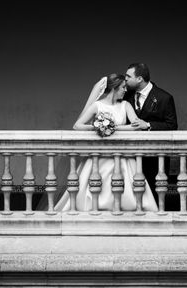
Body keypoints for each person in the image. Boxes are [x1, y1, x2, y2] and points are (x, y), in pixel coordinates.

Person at [55, 74, 158, 212]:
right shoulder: (97, 106)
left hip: (122, 155)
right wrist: (97, 127)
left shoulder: (125, 105)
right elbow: (77, 125)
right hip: (99, 155)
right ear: (114, 88)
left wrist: (111, 127)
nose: (125, 90)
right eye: (123, 87)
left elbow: (136, 125)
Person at [124, 62, 178, 194]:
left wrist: (148, 125)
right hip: (129, 154)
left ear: (139, 79)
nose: (125, 79)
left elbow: (172, 125)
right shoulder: (125, 95)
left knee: (154, 192)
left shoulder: (164, 98)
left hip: (155, 155)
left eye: (128, 76)